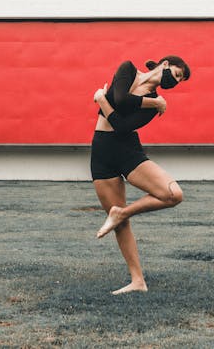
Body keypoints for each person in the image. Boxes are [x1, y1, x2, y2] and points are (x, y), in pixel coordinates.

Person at [90, 56, 191, 295]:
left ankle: (121, 212)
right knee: (120, 226)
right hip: (101, 150)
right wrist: (115, 101)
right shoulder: (128, 69)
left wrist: (101, 99)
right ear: (165, 64)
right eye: (176, 75)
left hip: (127, 150)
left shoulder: (156, 101)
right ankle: (138, 281)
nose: (175, 82)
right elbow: (121, 100)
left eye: (179, 81)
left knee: (173, 194)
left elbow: (122, 125)